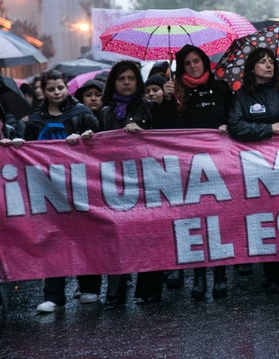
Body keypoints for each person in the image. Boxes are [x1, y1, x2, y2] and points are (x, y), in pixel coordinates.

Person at [10, 70, 101, 313]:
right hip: (46, 188)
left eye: (60, 87)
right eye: (51, 89)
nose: (57, 92)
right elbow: (27, 147)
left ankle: (89, 288)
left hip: (80, 186)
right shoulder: (36, 118)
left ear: (66, 88)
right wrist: (20, 145)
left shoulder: (82, 113)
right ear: (44, 92)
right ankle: (54, 296)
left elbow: (100, 142)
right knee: (51, 240)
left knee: (85, 237)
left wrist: (85, 138)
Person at [227, 47, 279, 293]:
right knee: (265, 217)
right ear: (252, 68)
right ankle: (269, 268)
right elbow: (235, 125)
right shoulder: (243, 96)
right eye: (262, 62)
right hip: (257, 166)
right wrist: (267, 129)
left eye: (271, 62)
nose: (269, 66)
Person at [159, 45, 233, 300]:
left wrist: (228, 125)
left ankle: (221, 276)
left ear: (205, 62)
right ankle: (199, 277)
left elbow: (234, 115)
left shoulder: (222, 88)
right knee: (196, 221)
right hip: (188, 166)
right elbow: (167, 129)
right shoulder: (176, 91)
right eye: (187, 63)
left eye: (196, 61)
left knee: (218, 221)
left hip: (220, 163)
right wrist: (167, 100)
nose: (192, 66)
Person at [97, 61, 164, 307]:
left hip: (147, 181)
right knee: (116, 235)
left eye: (131, 78)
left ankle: (149, 289)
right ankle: (115, 292)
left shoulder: (150, 107)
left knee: (149, 235)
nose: (126, 83)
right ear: (113, 82)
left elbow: (165, 140)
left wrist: (144, 133)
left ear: (138, 82)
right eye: (121, 78)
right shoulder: (105, 112)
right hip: (115, 183)